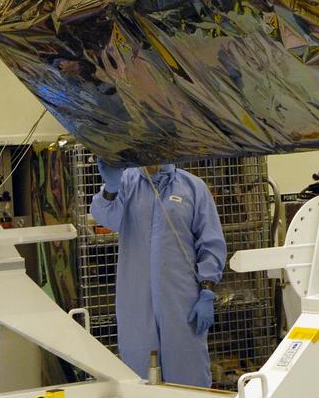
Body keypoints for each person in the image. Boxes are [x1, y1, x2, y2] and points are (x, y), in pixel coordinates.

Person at [90, 161, 226, 385]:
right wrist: (110, 188)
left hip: (182, 304)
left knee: (189, 380)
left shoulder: (192, 187)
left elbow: (211, 244)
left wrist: (207, 290)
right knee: (138, 379)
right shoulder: (126, 183)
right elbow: (107, 220)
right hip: (136, 306)